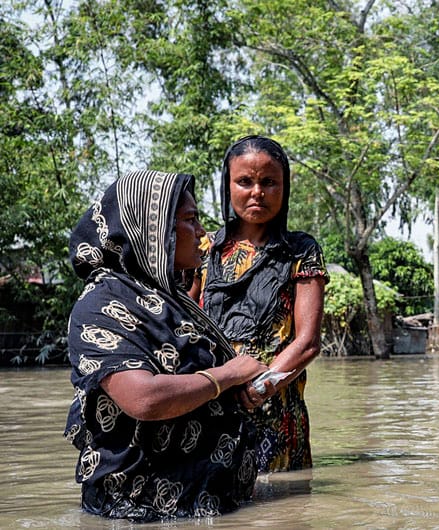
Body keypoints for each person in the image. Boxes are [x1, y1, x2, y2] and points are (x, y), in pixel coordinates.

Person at [64, 170, 270, 521]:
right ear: (151, 229)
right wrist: (227, 374)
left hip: (202, 504)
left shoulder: (168, 299)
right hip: (142, 512)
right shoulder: (101, 304)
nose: (203, 233)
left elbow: (191, 379)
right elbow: (144, 398)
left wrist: (238, 389)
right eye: (190, 220)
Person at [191, 135, 328, 472]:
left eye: (269, 182)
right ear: (228, 186)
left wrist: (262, 385)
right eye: (245, 181)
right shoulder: (203, 248)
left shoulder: (301, 250)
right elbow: (186, 323)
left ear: (284, 188)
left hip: (276, 404)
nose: (257, 192)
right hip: (213, 401)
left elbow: (308, 342)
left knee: (283, 509)